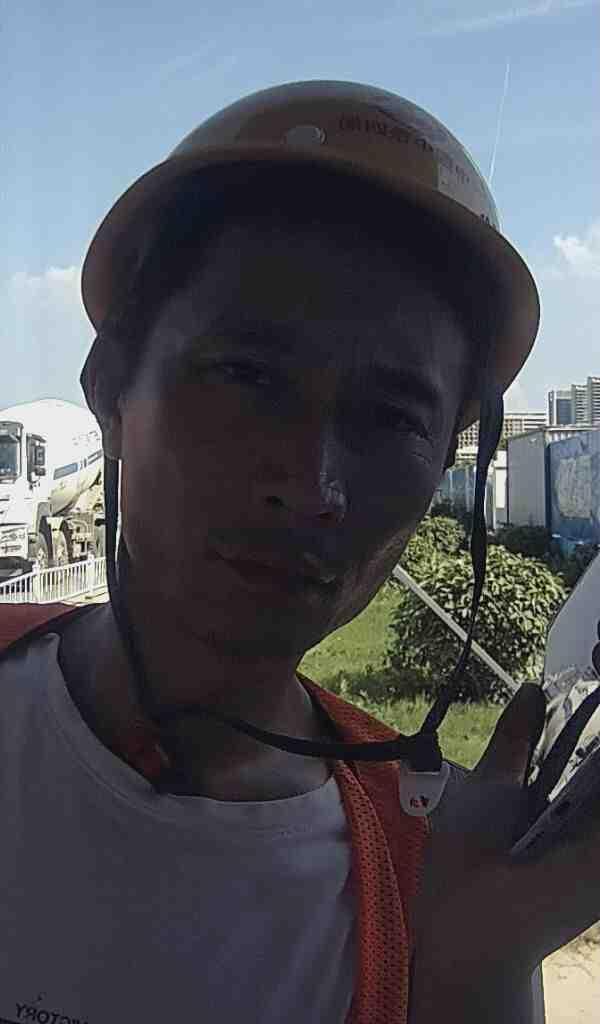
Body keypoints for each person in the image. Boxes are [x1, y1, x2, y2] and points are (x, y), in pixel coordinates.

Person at [1, 80, 599, 1024]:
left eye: (391, 418)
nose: (311, 485)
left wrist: (472, 972)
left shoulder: (430, 876)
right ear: (111, 388)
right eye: (247, 377)